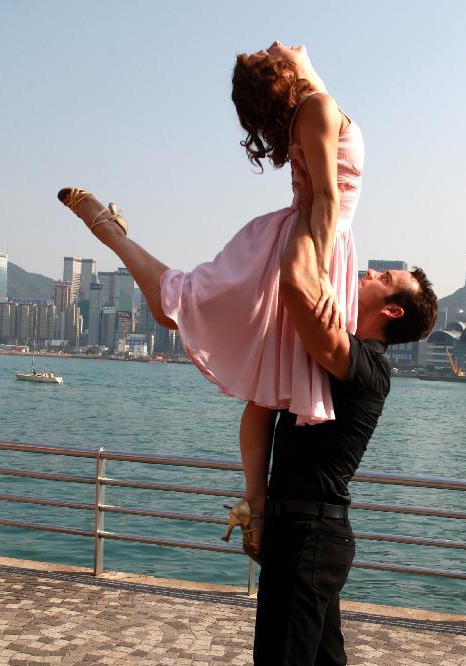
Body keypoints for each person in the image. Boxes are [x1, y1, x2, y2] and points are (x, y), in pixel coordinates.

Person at [174, 189, 438, 666]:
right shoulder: (321, 365)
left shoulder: (365, 365)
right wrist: (255, 503)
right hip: (310, 532)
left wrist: (312, 217)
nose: (368, 272)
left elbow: (297, 294)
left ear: (391, 312)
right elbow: (261, 405)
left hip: (312, 537)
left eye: (382, 278)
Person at [58, 40, 364, 559]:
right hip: (307, 244)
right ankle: (108, 230)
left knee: (265, 389)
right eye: (275, 54)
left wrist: (296, 63)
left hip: (316, 241)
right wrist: (322, 279)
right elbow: (328, 199)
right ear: (285, 79)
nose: (279, 44)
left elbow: (310, 74)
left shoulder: (317, 105)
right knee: (174, 305)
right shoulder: (317, 109)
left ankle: (255, 508)